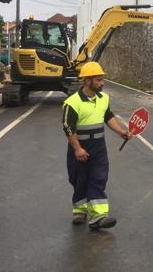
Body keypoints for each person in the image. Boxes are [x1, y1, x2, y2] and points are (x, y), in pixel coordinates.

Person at [61, 61, 132, 230]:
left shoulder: (104, 98)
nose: (102, 83)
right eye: (99, 80)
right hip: (80, 147)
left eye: (102, 79)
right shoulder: (72, 102)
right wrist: (77, 149)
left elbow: (108, 116)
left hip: (98, 147)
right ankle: (80, 209)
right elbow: (67, 127)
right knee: (79, 179)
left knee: (98, 178)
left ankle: (98, 216)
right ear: (87, 81)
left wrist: (121, 131)